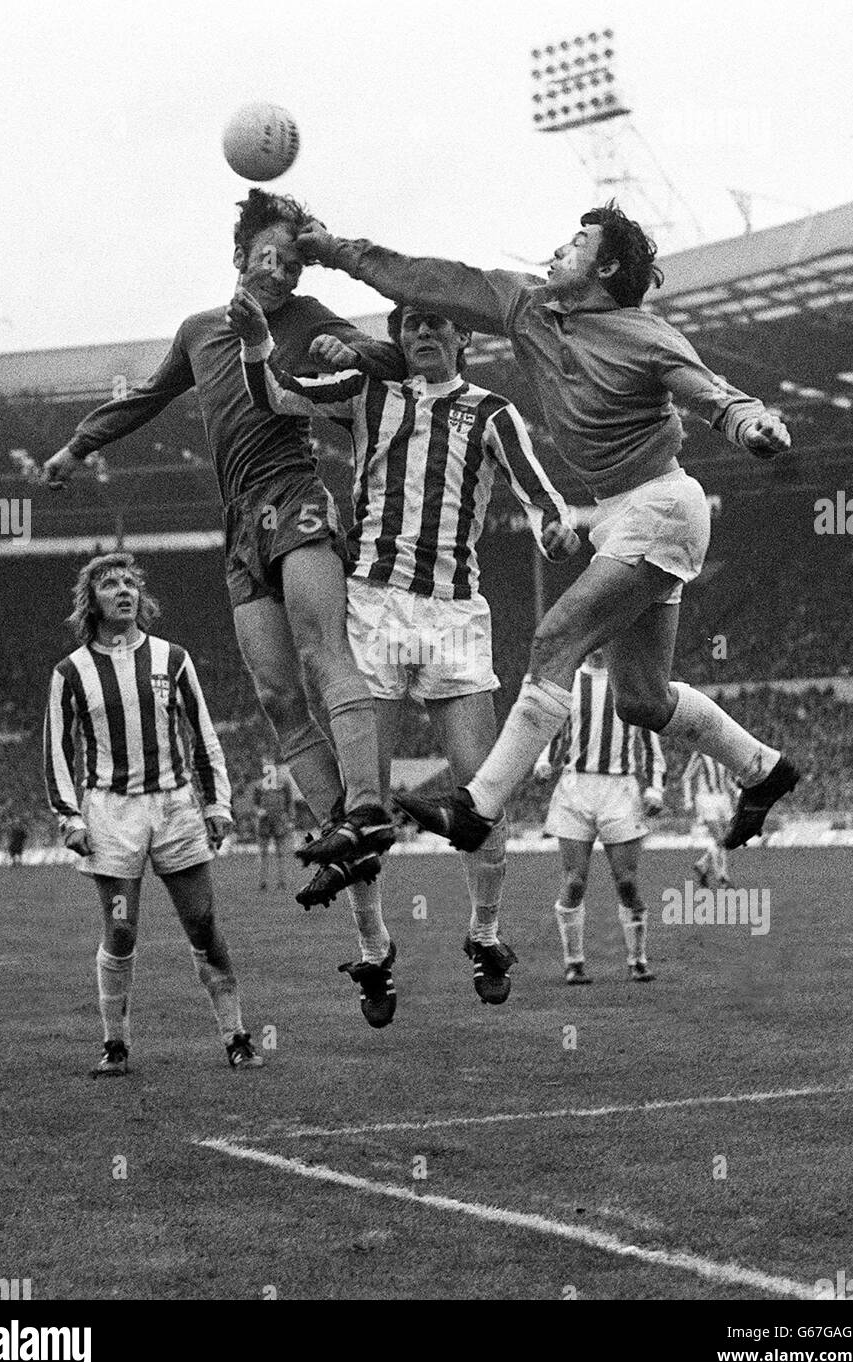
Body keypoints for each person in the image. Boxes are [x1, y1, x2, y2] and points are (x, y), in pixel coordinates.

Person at [295, 203, 798, 854]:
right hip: (619, 514)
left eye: (578, 242)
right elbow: (429, 280)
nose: (559, 249)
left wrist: (750, 425)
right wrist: (336, 249)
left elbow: (711, 394)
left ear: (608, 266)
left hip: (663, 504)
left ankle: (475, 807)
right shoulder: (523, 306)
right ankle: (764, 770)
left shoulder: (643, 334)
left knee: (555, 640)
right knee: (640, 700)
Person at [40, 190, 405, 910]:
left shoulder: (307, 320)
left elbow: (390, 358)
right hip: (238, 524)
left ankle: (368, 809)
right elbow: (145, 398)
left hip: (296, 494)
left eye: (295, 261)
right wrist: (76, 446)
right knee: (275, 694)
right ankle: (341, 828)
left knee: (319, 651)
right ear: (240, 257)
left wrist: (352, 348)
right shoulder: (200, 330)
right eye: (269, 255)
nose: (282, 271)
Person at [228, 289, 579, 1022]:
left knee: (485, 791)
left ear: (460, 338)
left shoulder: (490, 411)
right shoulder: (368, 392)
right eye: (410, 322)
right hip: (374, 608)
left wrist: (553, 526)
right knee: (366, 804)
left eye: (436, 321)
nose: (423, 330)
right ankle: (375, 948)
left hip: (453, 615)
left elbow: (538, 489)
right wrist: (259, 339)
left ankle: (484, 934)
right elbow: (275, 396)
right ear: (396, 337)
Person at [43, 552, 264, 1075]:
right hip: (112, 815)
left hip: (174, 809)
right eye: (109, 584)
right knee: (121, 931)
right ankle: (115, 1044)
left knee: (204, 924)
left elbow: (202, 734)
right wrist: (69, 817)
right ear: (91, 601)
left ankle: (236, 1035)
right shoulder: (71, 671)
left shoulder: (172, 658)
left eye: (129, 582)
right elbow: (56, 748)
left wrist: (217, 805)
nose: (122, 590)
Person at [533, 648, 665, 984]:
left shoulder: (631, 684)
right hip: (575, 788)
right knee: (574, 882)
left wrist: (656, 787)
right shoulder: (570, 683)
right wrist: (545, 760)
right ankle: (574, 963)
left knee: (627, 883)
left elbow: (651, 742)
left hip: (620, 791)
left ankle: (637, 960)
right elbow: (555, 730)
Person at [682, 750, 735, 887]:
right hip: (706, 799)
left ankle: (702, 864)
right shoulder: (701, 753)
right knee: (720, 837)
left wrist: (737, 791)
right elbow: (687, 777)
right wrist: (688, 800)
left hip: (724, 799)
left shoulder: (726, 752)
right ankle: (722, 876)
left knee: (727, 838)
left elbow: (727, 779)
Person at [251, 761, 298, 890]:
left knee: (281, 853)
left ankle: (282, 882)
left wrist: (290, 820)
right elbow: (255, 804)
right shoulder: (259, 785)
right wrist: (258, 811)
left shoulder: (284, 783)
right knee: (263, 853)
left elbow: (290, 803)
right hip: (264, 822)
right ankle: (262, 882)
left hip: (280, 821)